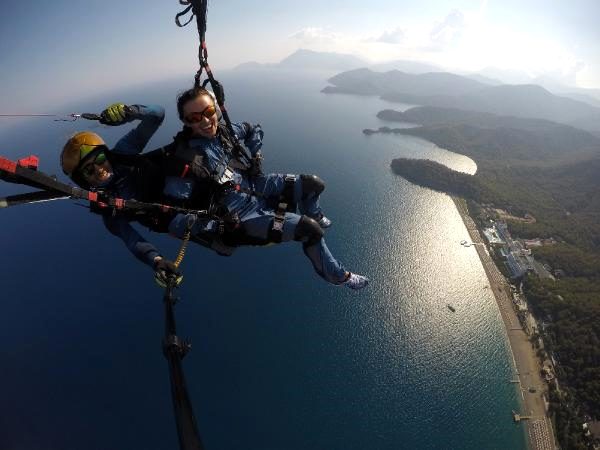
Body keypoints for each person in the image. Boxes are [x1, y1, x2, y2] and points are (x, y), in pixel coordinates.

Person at [159, 87, 368, 289]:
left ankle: (315, 213)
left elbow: (252, 129)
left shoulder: (225, 133)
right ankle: (340, 277)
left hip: (255, 186)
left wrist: (256, 155)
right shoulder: (186, 159)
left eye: (209, 112)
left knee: (313, 185)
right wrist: (217, 225)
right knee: (310, 231)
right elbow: (175, 221)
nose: (205, 121)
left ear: (216, 109)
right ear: (186, 122)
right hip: (242, 216)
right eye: (194, 118)